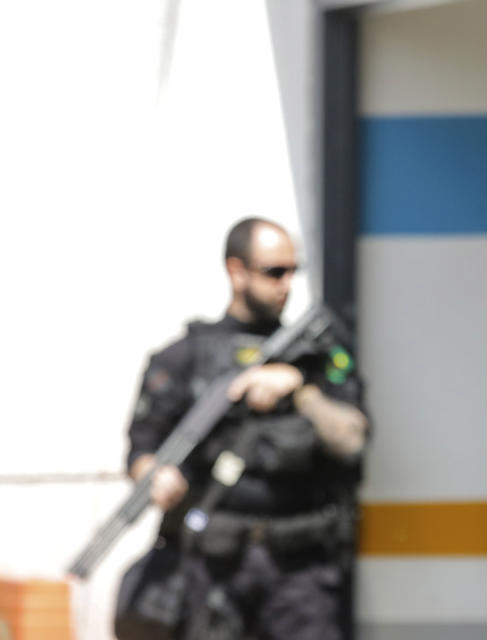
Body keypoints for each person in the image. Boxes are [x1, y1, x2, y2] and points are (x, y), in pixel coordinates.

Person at [123, 217, 368, 640]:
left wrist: (301, 391)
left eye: (293, 271)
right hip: (214, 570)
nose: (286, 284)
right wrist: (153, 475)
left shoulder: (318, 357)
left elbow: (352, 439)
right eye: (274, 271)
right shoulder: (186, 359)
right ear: (237, 271)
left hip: (302, 575)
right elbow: (143, 446)